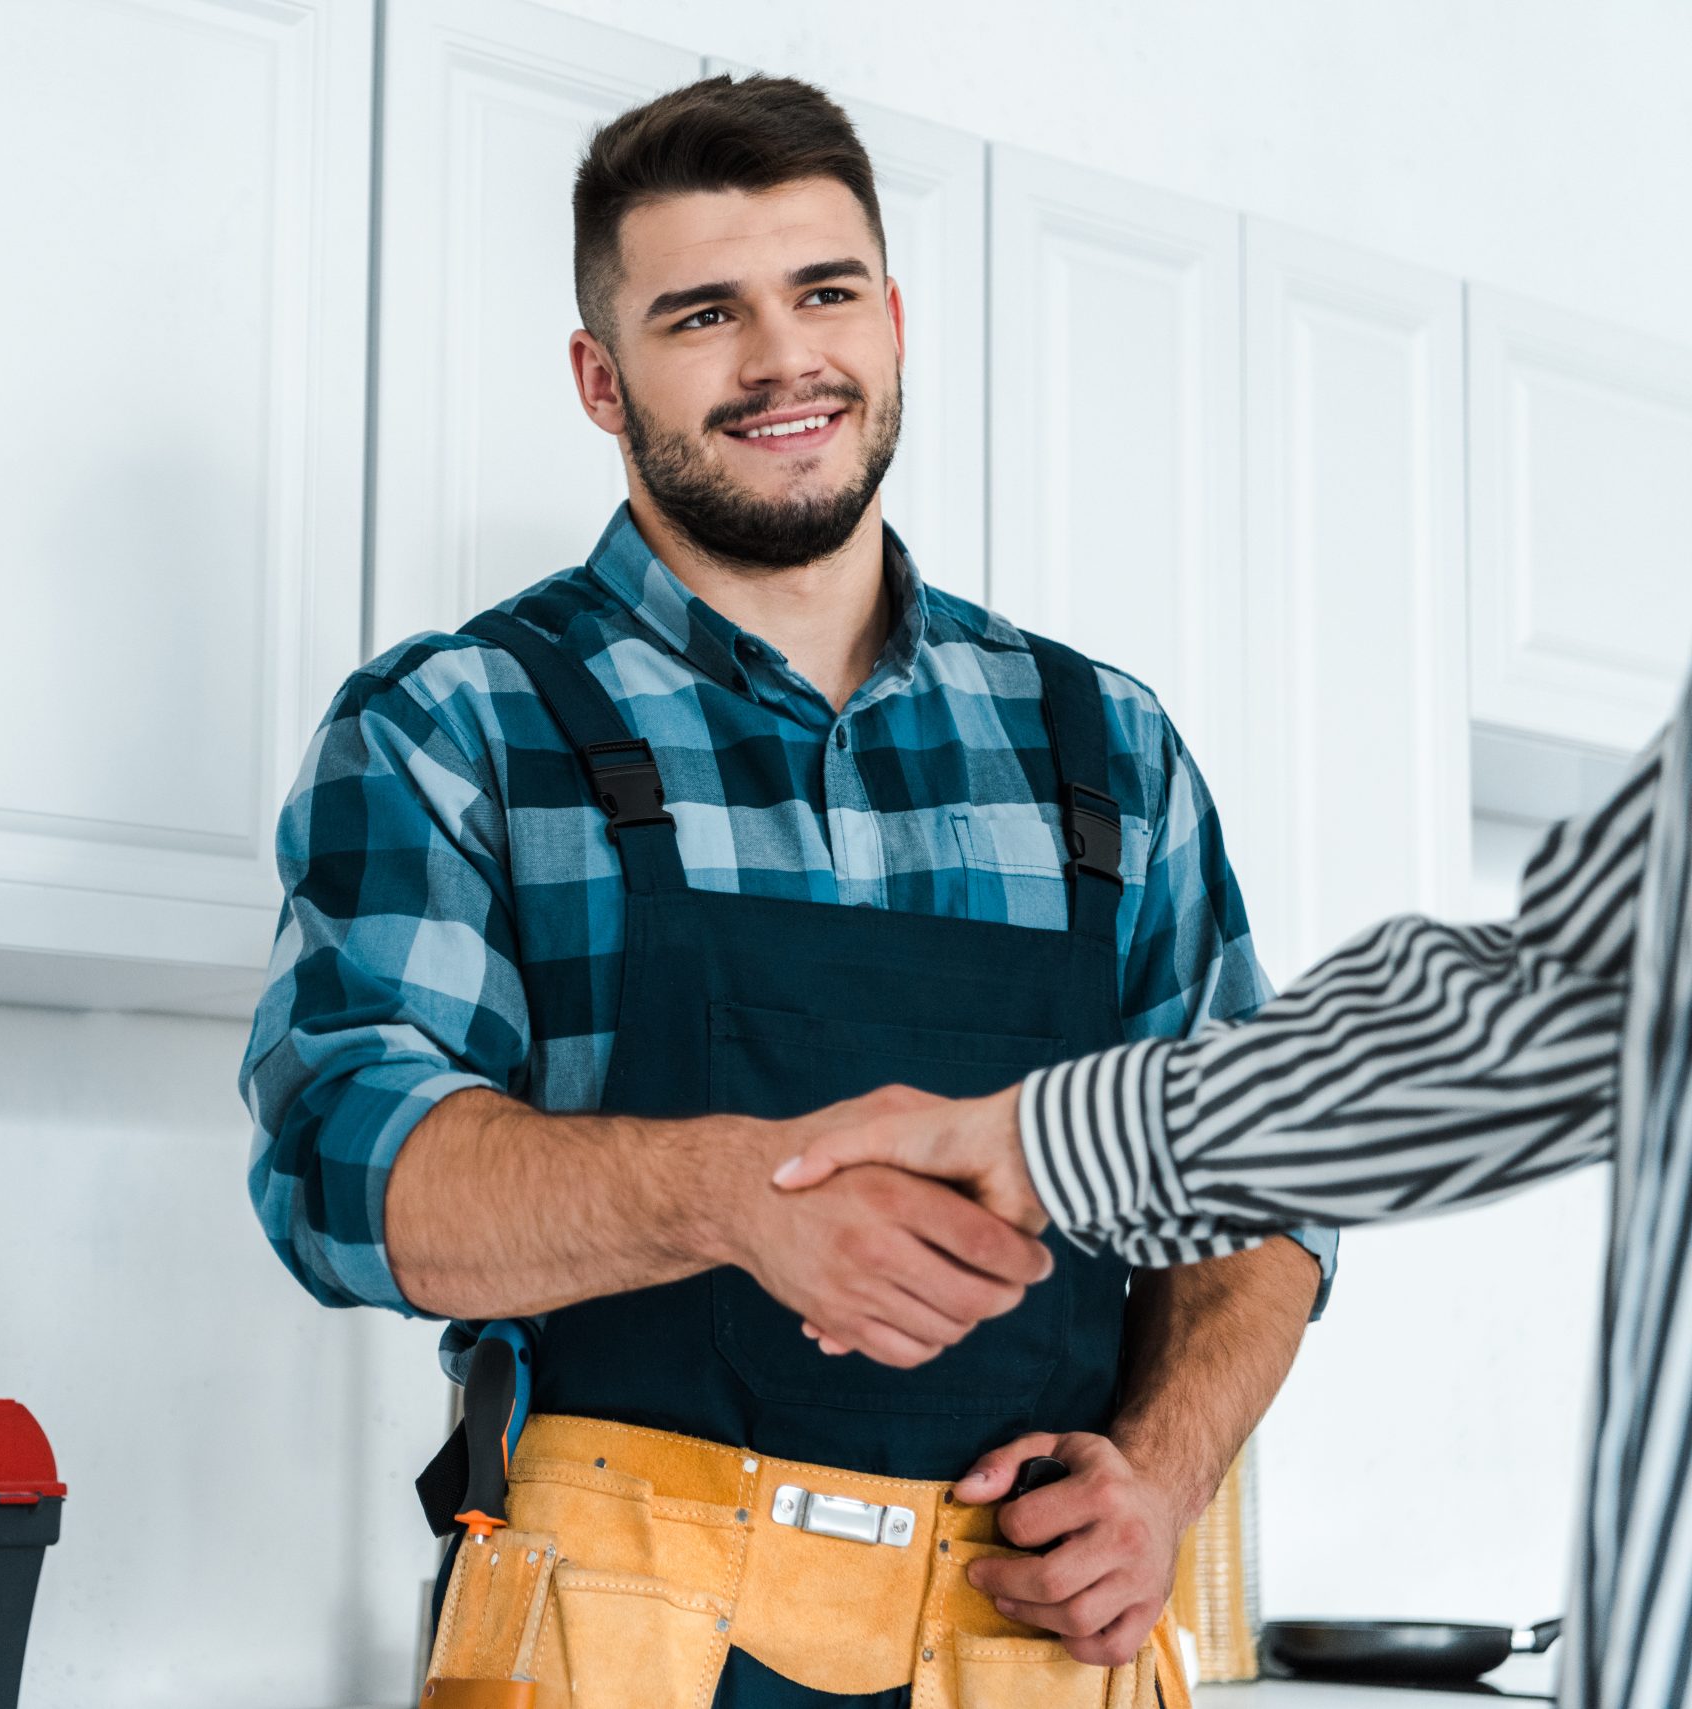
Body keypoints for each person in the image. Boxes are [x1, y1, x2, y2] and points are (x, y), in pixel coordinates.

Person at [240, 75, 1334, 1708]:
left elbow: (1253, 1188)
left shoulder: (1105, 750)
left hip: (1030, 1635)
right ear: (601, 380)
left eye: (823, 293)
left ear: (891, 320)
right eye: (704, 314)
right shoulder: (459, 724)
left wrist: (1161, 1477)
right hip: (620, 1624)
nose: (780, 360)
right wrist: (726, 1195)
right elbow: (344, 1165)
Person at [774, 685, 1690, 1709]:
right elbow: (1561, 1000)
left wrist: (1160, 1477)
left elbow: (1538, 1010)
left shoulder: (1108, 745)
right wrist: (1046, 1142)